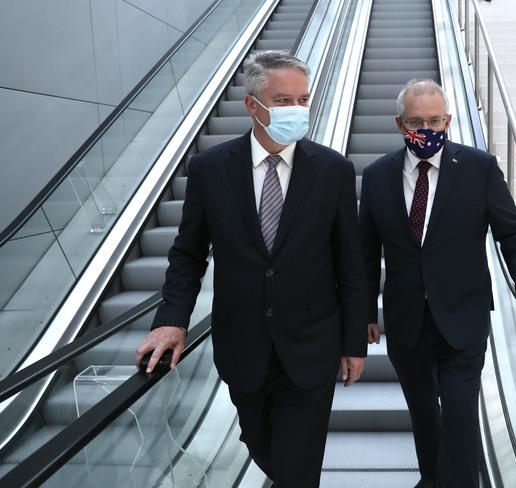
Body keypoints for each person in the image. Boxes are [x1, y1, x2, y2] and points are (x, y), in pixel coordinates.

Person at [135, 50, 368, 488]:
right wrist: (171, 320)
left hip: (311, 347)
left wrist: (354, 342)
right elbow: (187, 254)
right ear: (251, 105)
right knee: (265, 451)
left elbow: (350, 264)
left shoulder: (333, 170)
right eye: (282, 101)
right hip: (243, 347)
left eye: (303, 99)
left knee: (297, 472)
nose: (296, 110)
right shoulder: (210, 170)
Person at [359, 79, 516, 488]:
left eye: (434, 120)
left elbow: (513, 234)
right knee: (424, 416)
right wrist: (363, 315)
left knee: (461, 413)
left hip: (463, 315)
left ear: (448, 120)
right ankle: (432, 480)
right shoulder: (376, 177)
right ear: (399, 123)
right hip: (406, 320)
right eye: (416, 121)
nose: (426, 130)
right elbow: (364, 252)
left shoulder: (479, 168)